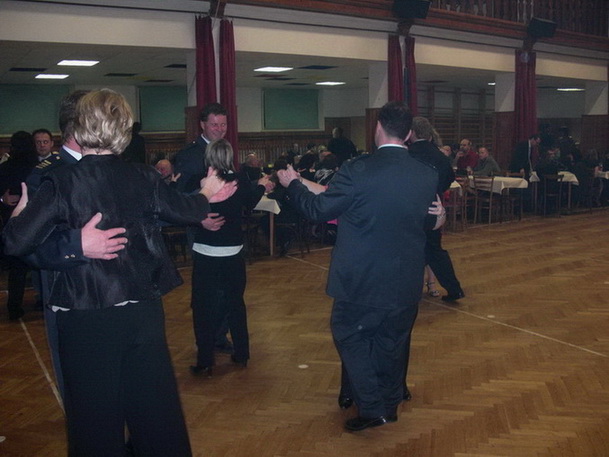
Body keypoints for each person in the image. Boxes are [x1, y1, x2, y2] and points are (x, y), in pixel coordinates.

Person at [2, 88, 232, 457]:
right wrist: (206, 193)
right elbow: (184, 209)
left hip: (87, 313)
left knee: (95, 420)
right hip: (142, 310)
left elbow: (15, 242)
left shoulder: (62, 182)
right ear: (123, 130)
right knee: (155, 412)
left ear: (80, 127)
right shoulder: (143, 176)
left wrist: (17, 215)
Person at [278, 101, 438, 432]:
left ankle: (373, 408)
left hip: (363, 279)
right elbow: (425, 219)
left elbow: (318, 210)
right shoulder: (426, 173)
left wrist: (293, 183)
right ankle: (390, 404)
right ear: (409, 133)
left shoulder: (358, 170)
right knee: (391, 343)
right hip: (406, 277)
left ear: (377, 128)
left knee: (349, 335)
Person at [25, 90, 130, 400]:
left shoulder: (112, 167)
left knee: (120, 379)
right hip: (71, 294)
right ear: (81, 124)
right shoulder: (49, 175)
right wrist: (76, 245)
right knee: (82, 388)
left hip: (117, 291)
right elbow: (28, 246)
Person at [190, 139, 272, 376]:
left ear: (208, 157)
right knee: (235, 304)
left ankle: (205, 361)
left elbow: (186, 207)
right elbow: (250, 202)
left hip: (205, 252)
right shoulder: (240, 181)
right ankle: (242, 353)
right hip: (233, 252)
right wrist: (261, 186)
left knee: (203, 308)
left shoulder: (200, 181)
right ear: (229, 156)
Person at [0, 131, 37, 320]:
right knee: (42, 265)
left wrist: (2, 200)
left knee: (17, 269)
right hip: (37, 222)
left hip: (13, 222)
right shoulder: (39, 168)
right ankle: (44, 302)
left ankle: (14, 307)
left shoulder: (5, 168)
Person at [173, 103, 228, 193]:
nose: (219, 129)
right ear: (203, 125)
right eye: (214, 125)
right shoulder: (188, 154)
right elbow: (182, 191)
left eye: (223, 124)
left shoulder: (226, 151)